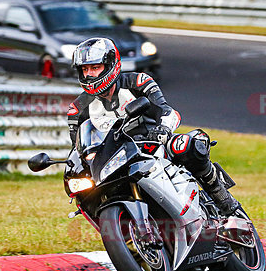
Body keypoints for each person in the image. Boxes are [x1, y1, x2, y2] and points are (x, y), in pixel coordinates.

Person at [67, 37, 239, 216]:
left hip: (152, 144)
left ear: (111, 65)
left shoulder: (139, 82)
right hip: (113, 162)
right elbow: (78, 147)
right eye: (85, 69)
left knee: (185, 145)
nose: (89, 75)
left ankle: (222, 197)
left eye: (95, 68)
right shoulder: (77, 110)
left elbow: (167, 111)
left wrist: (164, 130)